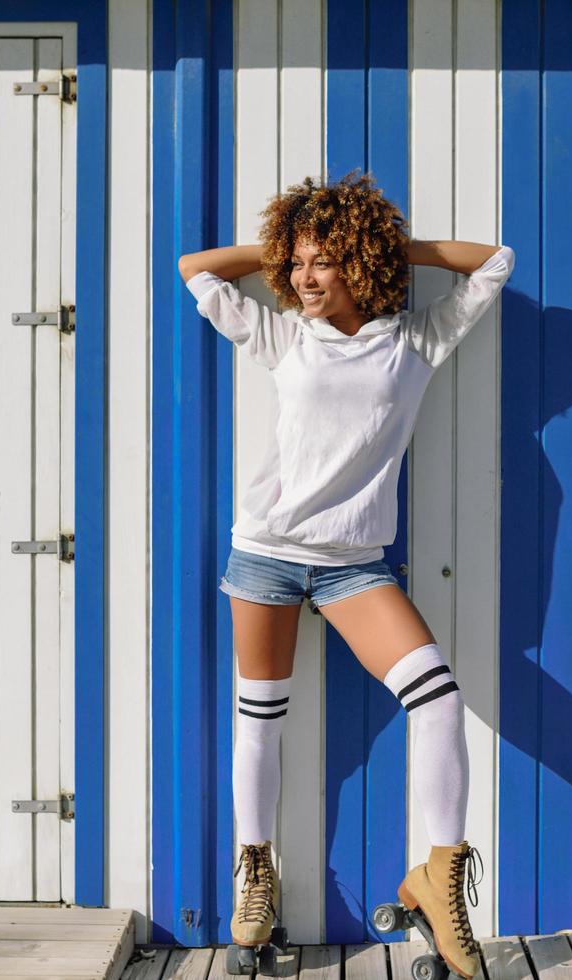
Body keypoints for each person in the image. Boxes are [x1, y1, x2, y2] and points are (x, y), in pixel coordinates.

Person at [177, 169, 513, 979]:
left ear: (360, 260)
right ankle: (256, 875)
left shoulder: (415, 340)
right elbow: (195, 268)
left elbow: (495, 261)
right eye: (296, 264)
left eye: (322, 261)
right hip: (265, 553)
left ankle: (438, 877)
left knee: (439, 700)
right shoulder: (286, 336)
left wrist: (383, 246)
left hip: (354, 567)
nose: (302, 278)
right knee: (260, 718)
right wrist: (280, 249)